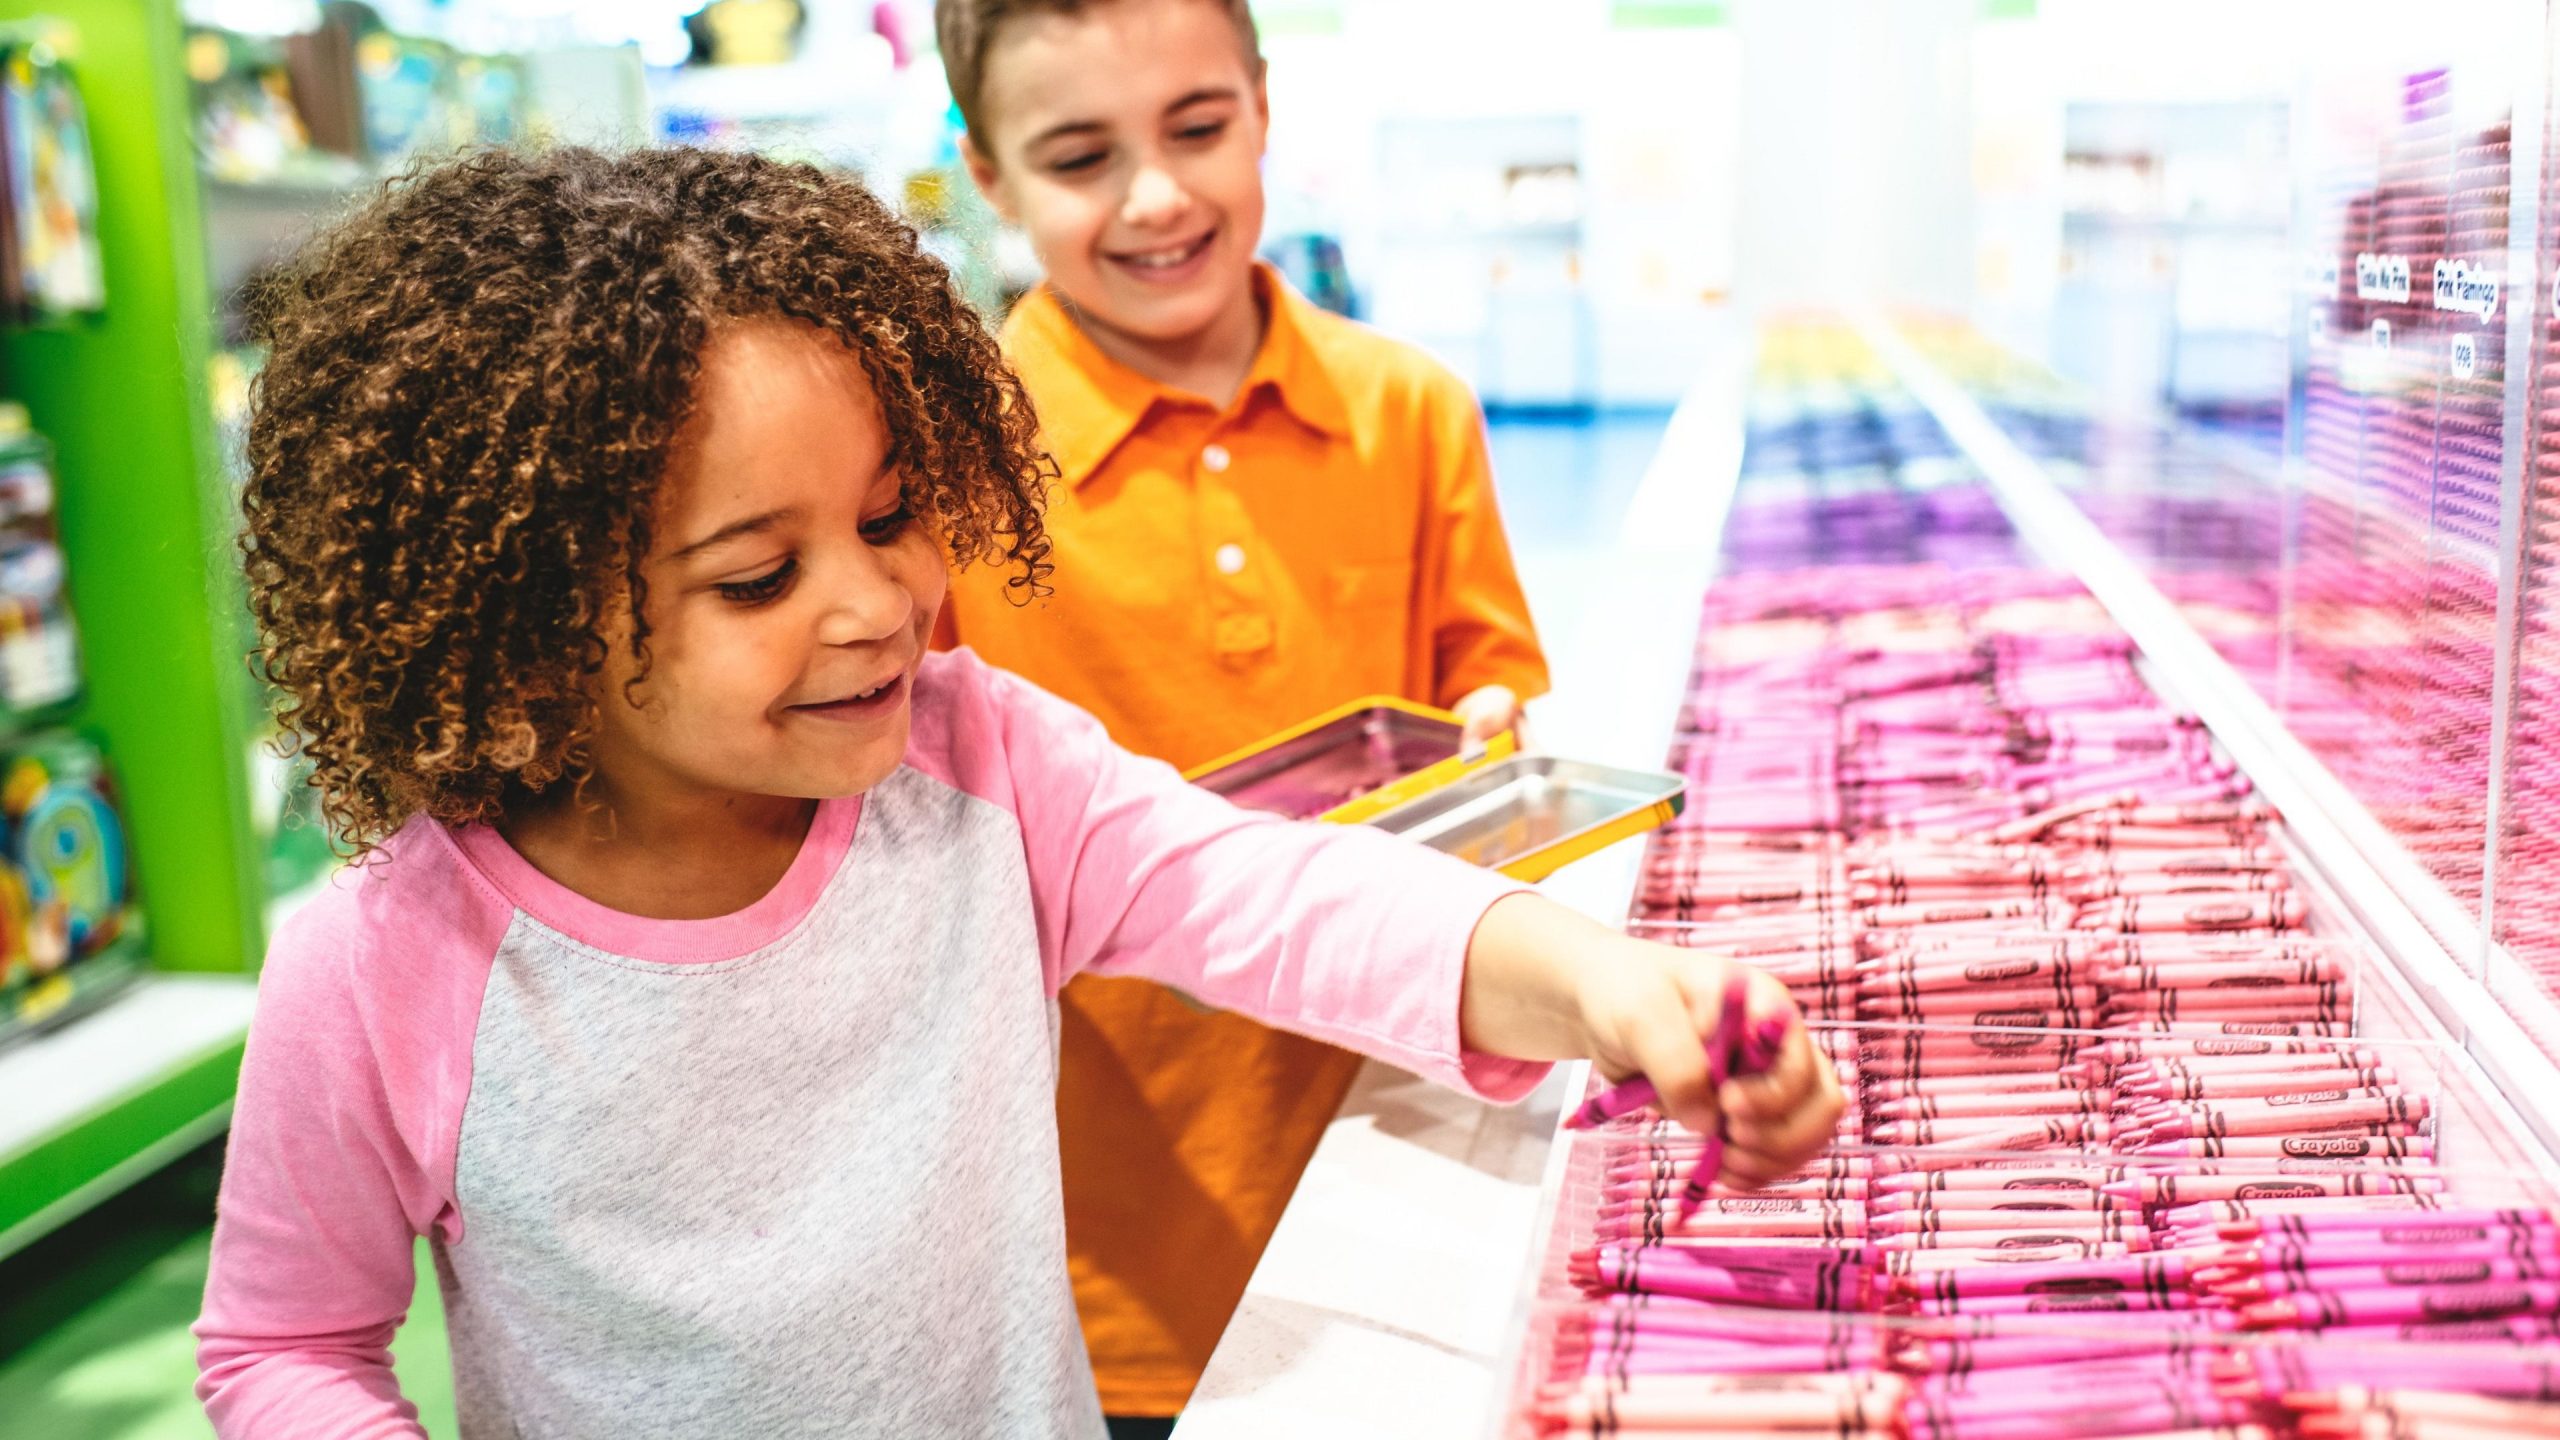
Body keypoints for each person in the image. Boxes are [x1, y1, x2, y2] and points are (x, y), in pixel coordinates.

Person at [190, 147, 1842, 1439]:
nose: (877, 601)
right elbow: (285, 1343)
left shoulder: (980, 770)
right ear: (533, 623)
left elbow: (1280, 894)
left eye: (895, 513)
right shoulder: (385, 964)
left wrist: (1606, 986)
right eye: (758, 577)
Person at [933, 1, 1554, 1425]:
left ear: (1264, 106)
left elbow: (1490, 676)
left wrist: (1489, 728)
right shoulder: (945, 461)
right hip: (1093, 1237)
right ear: (987, 171)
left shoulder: (1411, 410)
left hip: (1405, 1147)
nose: (1157, 196)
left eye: (1197, 128)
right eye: (1081, 155)